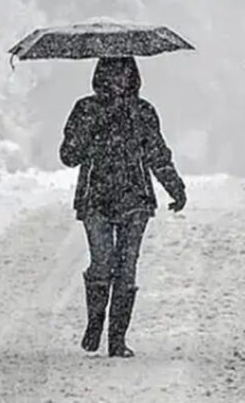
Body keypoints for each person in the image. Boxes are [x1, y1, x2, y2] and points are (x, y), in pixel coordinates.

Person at [59, 56, 187, 358]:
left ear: (133, 77)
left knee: (127, 269)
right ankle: (95, 320)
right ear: (102, 76)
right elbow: (68, 155)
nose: (120, 80)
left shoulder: (143, 112)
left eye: (126, 73)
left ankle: (117, 338)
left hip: (135, 201)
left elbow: (157, 153)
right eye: (114, 74)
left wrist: (175, 186)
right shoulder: (86, 109)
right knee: (102, 263)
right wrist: (96, 125)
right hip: (96, 200)